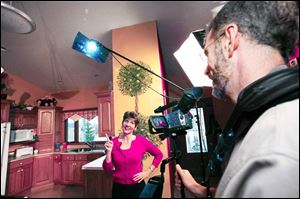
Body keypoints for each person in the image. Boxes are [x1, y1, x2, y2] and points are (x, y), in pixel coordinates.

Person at [175, 1, 299, 198]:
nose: (206, 69)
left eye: (207, 53)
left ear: (230, 40)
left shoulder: (272, 152)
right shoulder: (270, 120)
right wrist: (200, 190)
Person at [103, 111, 163, 198]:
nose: (128, 124)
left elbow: (159, 154)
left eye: (132, 123)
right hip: (119, 188)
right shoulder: (113, 142)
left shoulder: (141, 141)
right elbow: (107, 169)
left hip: (137, 187)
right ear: (122, 123)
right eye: (126, 121)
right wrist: (108, 151)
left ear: (135, 127)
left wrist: (148, 171)